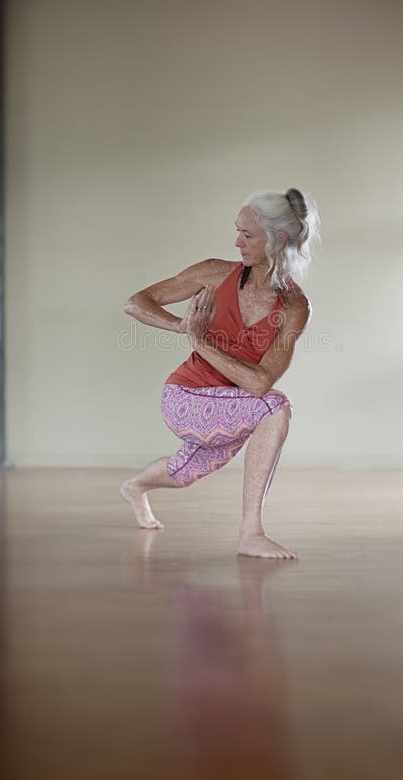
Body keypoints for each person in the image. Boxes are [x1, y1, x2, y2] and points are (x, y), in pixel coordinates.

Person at [121, 187, 320, 559]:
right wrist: (183, 328)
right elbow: (137, 302)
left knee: (182, 473)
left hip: (232, 405)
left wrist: (201, 341)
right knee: (276, 408)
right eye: (237, 231)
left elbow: (260, 381)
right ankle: (251, 533)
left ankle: (134, 487)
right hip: (185, 398)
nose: (237, 242)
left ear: (277, 241)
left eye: (247, 235)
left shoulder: (295, 305)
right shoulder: (215, 273)